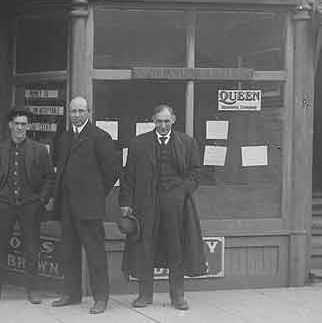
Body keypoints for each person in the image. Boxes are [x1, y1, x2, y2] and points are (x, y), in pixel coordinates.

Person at [119, 104, 207, 311]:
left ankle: (177, 296)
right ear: (153, 121)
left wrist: (182, 192)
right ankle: (144, 295)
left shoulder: (187, 142)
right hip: (146, 204)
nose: (163, 125)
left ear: (173, 120)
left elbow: (196, 173)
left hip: (176, 205)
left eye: (167, 121)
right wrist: (125, 203)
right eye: (159, 121)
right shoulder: (138, 144)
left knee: (175, 248)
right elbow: (128, 176)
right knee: (145, 248)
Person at [52, 96, 121, 315]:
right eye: (73, 111)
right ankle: (71, 294)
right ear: (68, 113)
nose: (77, 115)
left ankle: (101, 298)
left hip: (90, 207)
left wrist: (97, 195)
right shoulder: (63, 138)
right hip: (68, 206)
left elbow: (112, 171)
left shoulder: (100, 137)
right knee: (69, 252)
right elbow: (60, 168)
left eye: (81, 111)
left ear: (89, 112)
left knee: (95, 254)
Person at [0, 108, 55, 305]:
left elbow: (49, 178)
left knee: (31, 248)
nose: (20, 128)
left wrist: (41, 199)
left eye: (24, 124)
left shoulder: (39, 150)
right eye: (17, 124)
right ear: (10, 125)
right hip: (3, 204)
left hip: (30, 205)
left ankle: (33, 289)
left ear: (28, 126)